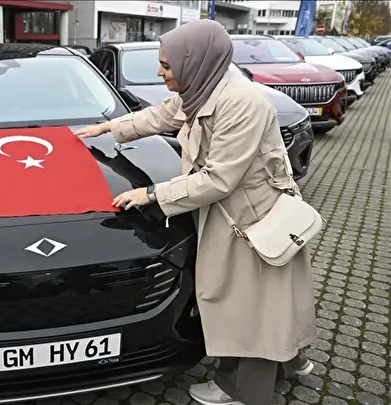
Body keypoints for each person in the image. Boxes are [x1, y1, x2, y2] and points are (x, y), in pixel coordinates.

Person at [75, 20, 317, 405]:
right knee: (269, 304)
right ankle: (291, 360)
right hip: (235, 214)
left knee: (249, 306)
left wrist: (152, 194)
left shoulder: (242, 103)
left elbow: (219, 179)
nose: (160, 72)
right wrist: (107, 128)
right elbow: (160, 115)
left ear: (195, 62)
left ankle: (241, 390)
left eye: (166, 65)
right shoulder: (203, 88)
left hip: (252, 221)